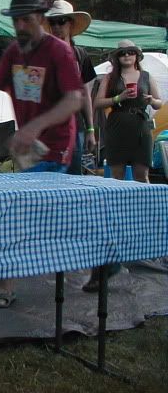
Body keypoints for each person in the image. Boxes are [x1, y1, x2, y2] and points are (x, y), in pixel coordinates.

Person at [0, 0, 83, 309]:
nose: (20, 26)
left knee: (18, 212)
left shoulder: (59, 52)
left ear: (40, 18)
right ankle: (106, 260)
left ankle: (4, 286)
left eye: (26, 20)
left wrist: (36, 126)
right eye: (16, 20)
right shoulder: (14, 52)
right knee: (54, 216)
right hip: (27, 149)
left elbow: (74, 99)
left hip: (55, 147)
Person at [81, 39, 163, 292]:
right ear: (117, 57)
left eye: (131, 52)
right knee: (116, 176)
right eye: (122, 53)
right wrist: (119, 97)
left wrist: (150, 99)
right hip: (117, 126)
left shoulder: (146, 76)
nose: (127, 56)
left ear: (137, 56)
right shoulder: (110, 77)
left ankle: (144, 222)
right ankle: (117, 222)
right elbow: (97, 103)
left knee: (142, 175)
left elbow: (160, 103)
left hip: (141, 126)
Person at [45, 0, 98, 174]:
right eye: (52, 22)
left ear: (71, 24)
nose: (56, 26)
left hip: (75, 128)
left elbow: (86, 95)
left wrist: (90, 129)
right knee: (46, 180)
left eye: (61, 21)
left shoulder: (80, 54)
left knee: (74, 178)